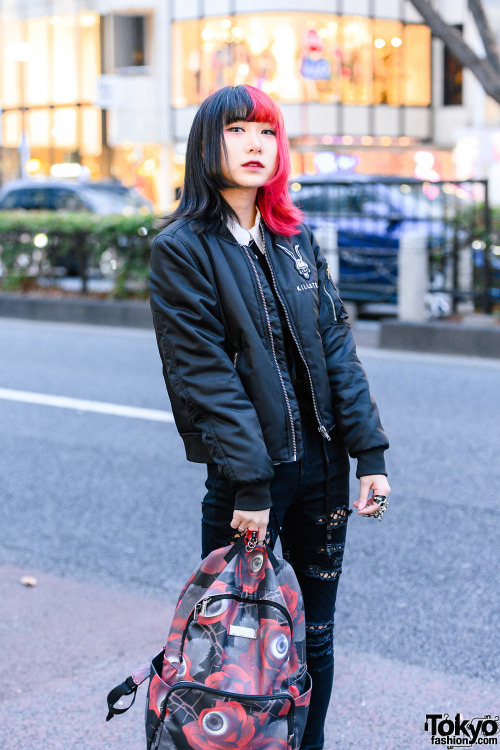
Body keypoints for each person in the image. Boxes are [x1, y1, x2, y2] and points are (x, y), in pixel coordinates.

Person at [149, 84, 390, 750]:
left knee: (316, 633)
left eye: (267, 133)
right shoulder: (182, 249)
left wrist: (368, 454)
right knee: (233, 636)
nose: (256, 146)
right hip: (246, 481)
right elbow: (206, 378)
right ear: (209, 143)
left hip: (321, 470)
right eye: (238, 132)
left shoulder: (293, 238)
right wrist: (252, 484)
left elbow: (336, 346)